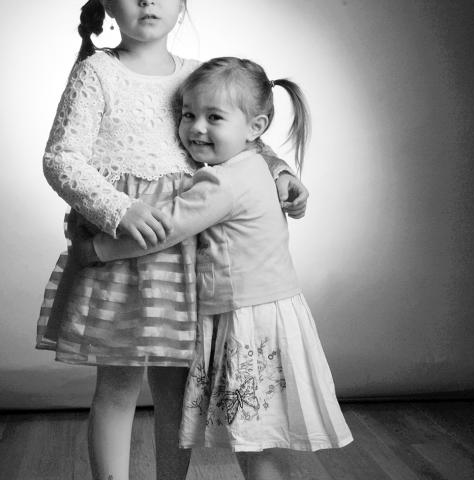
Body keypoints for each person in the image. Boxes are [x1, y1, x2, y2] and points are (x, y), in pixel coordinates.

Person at [35, 2, 309, 480]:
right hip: (125, 254)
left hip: (187, 260)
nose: (147, 1)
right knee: (117, 388)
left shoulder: (195, 73)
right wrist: (118, 210)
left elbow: (244, 138)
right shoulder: (96, 73)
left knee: (178, 393)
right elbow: (61, 159)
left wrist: (282, 172)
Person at [86, 56, 353, 480]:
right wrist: (282, 169)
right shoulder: (255, 168)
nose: (196, 128)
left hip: (243, 317)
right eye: (188, 115)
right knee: (259, 436)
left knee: (254, 438)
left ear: (256, 127)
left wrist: (98, 249)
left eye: (214, 118)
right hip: (271, 311)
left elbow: (165, 229)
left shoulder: (222, 182)